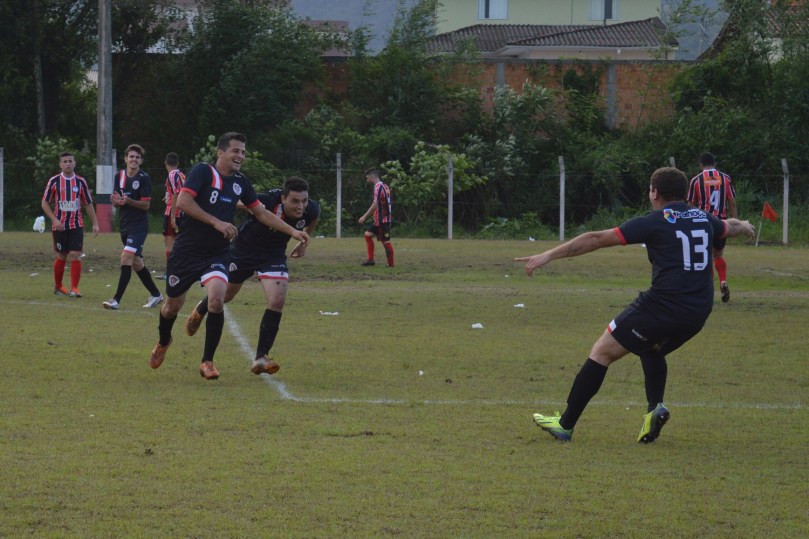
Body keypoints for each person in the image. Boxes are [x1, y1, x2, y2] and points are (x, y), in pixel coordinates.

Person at [516, 167, 754, 443]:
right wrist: (745, 225)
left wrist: (548, 254)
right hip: (698, 311)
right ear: (686, 194)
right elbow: (731, 226)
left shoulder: (654, 221)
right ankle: (655, 409)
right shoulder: (704, 218)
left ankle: (565, 425)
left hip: (661, 307)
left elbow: (595, 239)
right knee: (650, 347)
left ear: (654, 192)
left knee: (602, 352)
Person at [148, 132, 310, 381]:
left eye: (243, 152)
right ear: (220, 152)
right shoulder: (203, 171)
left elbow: (261, 213)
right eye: (236, 151)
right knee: (171, 308)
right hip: (187, 251)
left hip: (217, 252)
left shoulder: (241, 183)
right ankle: (163, 341)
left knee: (216, 299)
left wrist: (292, 231)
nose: (240, 156)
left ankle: (207, 362)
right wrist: (216, 222)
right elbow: (183, 202)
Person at [184, 176, 320, 375]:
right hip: (243, 250)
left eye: (304, 200)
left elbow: (313, 219)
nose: (300, 206)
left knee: (277, 300)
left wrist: (303, 243)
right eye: (295, 201)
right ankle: (201, 308)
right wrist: (247, 206)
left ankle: (261, 357)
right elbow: (241, 199)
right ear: (283, 199)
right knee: (226, 296)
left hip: (273, 254)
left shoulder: (311, 209)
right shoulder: (269, 200)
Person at [102, 144, 164, 310]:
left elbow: (146, 205)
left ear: (141, 161)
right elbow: (115, 199)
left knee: (126, 257)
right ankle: (156, 294)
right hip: (124, 225)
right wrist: (116, 201)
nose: (134, 159)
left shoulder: (144, 178)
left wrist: (128, 201)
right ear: (126, 159)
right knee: (137, 263)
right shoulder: (119, 176)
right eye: (131, 156)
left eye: (137, 157)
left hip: (139, 226)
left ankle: (116, 300)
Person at [40, 152, 100, 297]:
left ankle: (74, 288)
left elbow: (88, 203)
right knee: (61, 255)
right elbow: (44, 203)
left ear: (74, 163)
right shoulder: (54, 181)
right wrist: (54, 219)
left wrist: (95, 223)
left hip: (76, 225)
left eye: (70, 161)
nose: (68, 163)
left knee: (75, 254)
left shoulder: (80, 182)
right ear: (60, 164)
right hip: (59, 225)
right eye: (65, 161)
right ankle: (58, 286)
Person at [687, 152, 738, 303]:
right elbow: (732, 202)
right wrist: (735, 222)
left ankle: (707, 290)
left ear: (700, 164)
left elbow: (690, 205)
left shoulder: (696, 181)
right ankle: (723, 281)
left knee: (706, 257)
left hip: (703, 223)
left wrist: (690, 225)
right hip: (721, 223)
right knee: (718, 255)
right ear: (714, 163)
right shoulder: (725, 178)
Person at [358, 168, 394, 267]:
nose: (367, 180)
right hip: (382, 219)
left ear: (372, 177)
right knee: (367, 235)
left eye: (367, 178)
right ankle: (370, 260)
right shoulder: (385, 186)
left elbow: (375, 205)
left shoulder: (378, 187)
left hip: (382, 220)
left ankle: (391, 264)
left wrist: (364, 217)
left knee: (385, 241)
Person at [158, 152, 186, 280]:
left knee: (170, 242)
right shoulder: (181, 174)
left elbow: (176, 194)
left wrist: (173, 216)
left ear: (165, 163)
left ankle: (171, 272)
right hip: (183, 213)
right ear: (177, 164)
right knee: (179, 242)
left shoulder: (172, 174)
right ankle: (178, 269)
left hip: (172, 213)